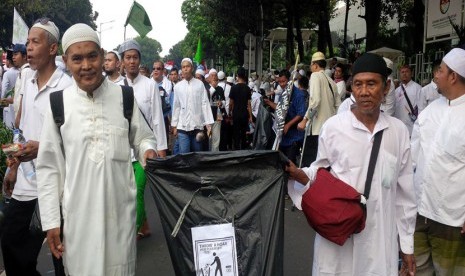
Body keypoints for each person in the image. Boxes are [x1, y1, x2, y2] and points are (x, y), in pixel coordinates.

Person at [36, 23, 157, 276]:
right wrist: (51, 222)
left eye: (92, 56)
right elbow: (48, 168)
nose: (86, 65)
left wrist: (148, 152)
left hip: (120, 218)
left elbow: (144, 138)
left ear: (102, 56)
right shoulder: (58, 104)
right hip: (78, 222)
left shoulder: (124, 97)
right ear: (66, 61)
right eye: (77, 58)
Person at [286, 53, 417, 275]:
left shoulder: (398, 132)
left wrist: (407, 246)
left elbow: (405, 195)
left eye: (371, 84)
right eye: (358, 84)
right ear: (351, 88)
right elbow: (320, 174)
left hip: (378, 240)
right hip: (338, 239)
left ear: (386, 87)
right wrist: (297, 174)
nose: (364, 91)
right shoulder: (334, 127)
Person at [1, 18, 72, 276]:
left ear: (53, 49)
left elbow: (74, 141)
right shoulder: (28, 80)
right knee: (11, 243)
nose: (28, 48)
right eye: (28, 42)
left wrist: (42, 148)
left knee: (61, 257)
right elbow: (23, 131)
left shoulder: (67, 88)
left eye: (35, 42)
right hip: (25, 185)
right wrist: (14, 165)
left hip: (55, 187)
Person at [411, 48, 465, 275]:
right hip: (419, 211)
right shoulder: (431, 110)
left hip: (451, 219)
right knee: (418, 270)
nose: (435, 75)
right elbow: (412, 158)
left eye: (440, 70)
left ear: (452, 76)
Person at [117, 40, 166, 239]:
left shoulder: (150, 85)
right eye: (127, 57)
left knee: (136, 191)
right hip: (122, 151)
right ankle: (144, 225)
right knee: (125, 194)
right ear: (122, 61)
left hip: (145, 149)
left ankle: (130, 234)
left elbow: (157, 118)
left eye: (135, 57)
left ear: (140, 60)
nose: (131, 62)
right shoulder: (115, 87)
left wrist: (161, 147)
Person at [298, 51, 340, 167]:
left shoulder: (315, 76)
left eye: (311, 65)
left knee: (311, 167)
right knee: (325, 166)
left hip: (317, 130)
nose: (311, 68)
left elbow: (315, 101)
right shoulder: (331, 81)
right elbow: (338, 106)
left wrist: (305, 120)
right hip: (329, 129)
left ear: (315, 65)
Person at [171, 58, 214, 153]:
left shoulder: (200, 84)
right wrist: (174, 125)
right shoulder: (178, 87)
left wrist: (208, 124)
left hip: (197, 126)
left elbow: (205, 103)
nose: (185, 69)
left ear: (192, 68)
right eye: (183, 67)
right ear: (181, 70)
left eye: (187, 66)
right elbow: (176, 106)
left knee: (197, 154)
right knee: (184, 155)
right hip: (182, 127)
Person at [394, 64, 422, 135]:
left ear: (411, 74)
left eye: (407, 72)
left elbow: (421, 107)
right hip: (398, 125)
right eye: (402, 72)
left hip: (411, 126)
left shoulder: (418, 88)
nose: (404, 74)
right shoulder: (396, 91)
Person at [229, 67, 253, 150]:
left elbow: (231, 103)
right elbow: (249, 104)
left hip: (236, 113)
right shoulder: (247, 88)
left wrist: (230, 113)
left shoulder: (233, 88)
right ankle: (243, 150)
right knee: (243, 133)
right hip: (244, 114)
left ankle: (236, 149)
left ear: (237, 75)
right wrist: (250, 116)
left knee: (236, 133)